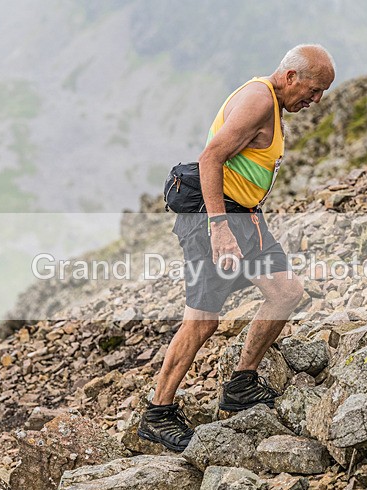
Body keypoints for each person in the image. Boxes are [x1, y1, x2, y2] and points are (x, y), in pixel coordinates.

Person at [138, 44, 335, 452]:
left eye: (322, 95)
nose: (315, 102)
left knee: (286, 292)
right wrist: (220, 228)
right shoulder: (259, 100)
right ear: (292, 77)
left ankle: (241, 384)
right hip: (214, 214)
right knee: (203, 318)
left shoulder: (273, 103)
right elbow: (210, 157)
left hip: (244, 214)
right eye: (314, 91)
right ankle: (158, 413)